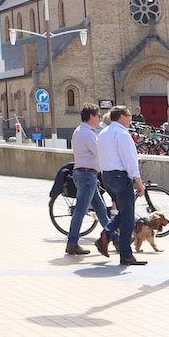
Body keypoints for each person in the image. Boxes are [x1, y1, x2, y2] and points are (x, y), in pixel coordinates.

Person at [95, 104, 146, 266]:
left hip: (107, 176)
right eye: (129, 115)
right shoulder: (122, 134)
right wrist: (139, 182)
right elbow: (129, 160)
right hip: (120, 177)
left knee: (124, 212)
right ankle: (125, 254)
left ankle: (107, 234)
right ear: (122, 117)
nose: (131, 119)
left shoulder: (103, 133)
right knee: (128, 218)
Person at [64, 106, 114, 256]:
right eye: (98, 115)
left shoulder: (80, 131)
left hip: (87, 175)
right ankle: (72, 243)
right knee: (80, 211)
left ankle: (115, 239)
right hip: (86, 175)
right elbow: (99, 152)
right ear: (91, 116)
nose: (99, 118)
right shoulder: (87, 133)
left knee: (101, 211)